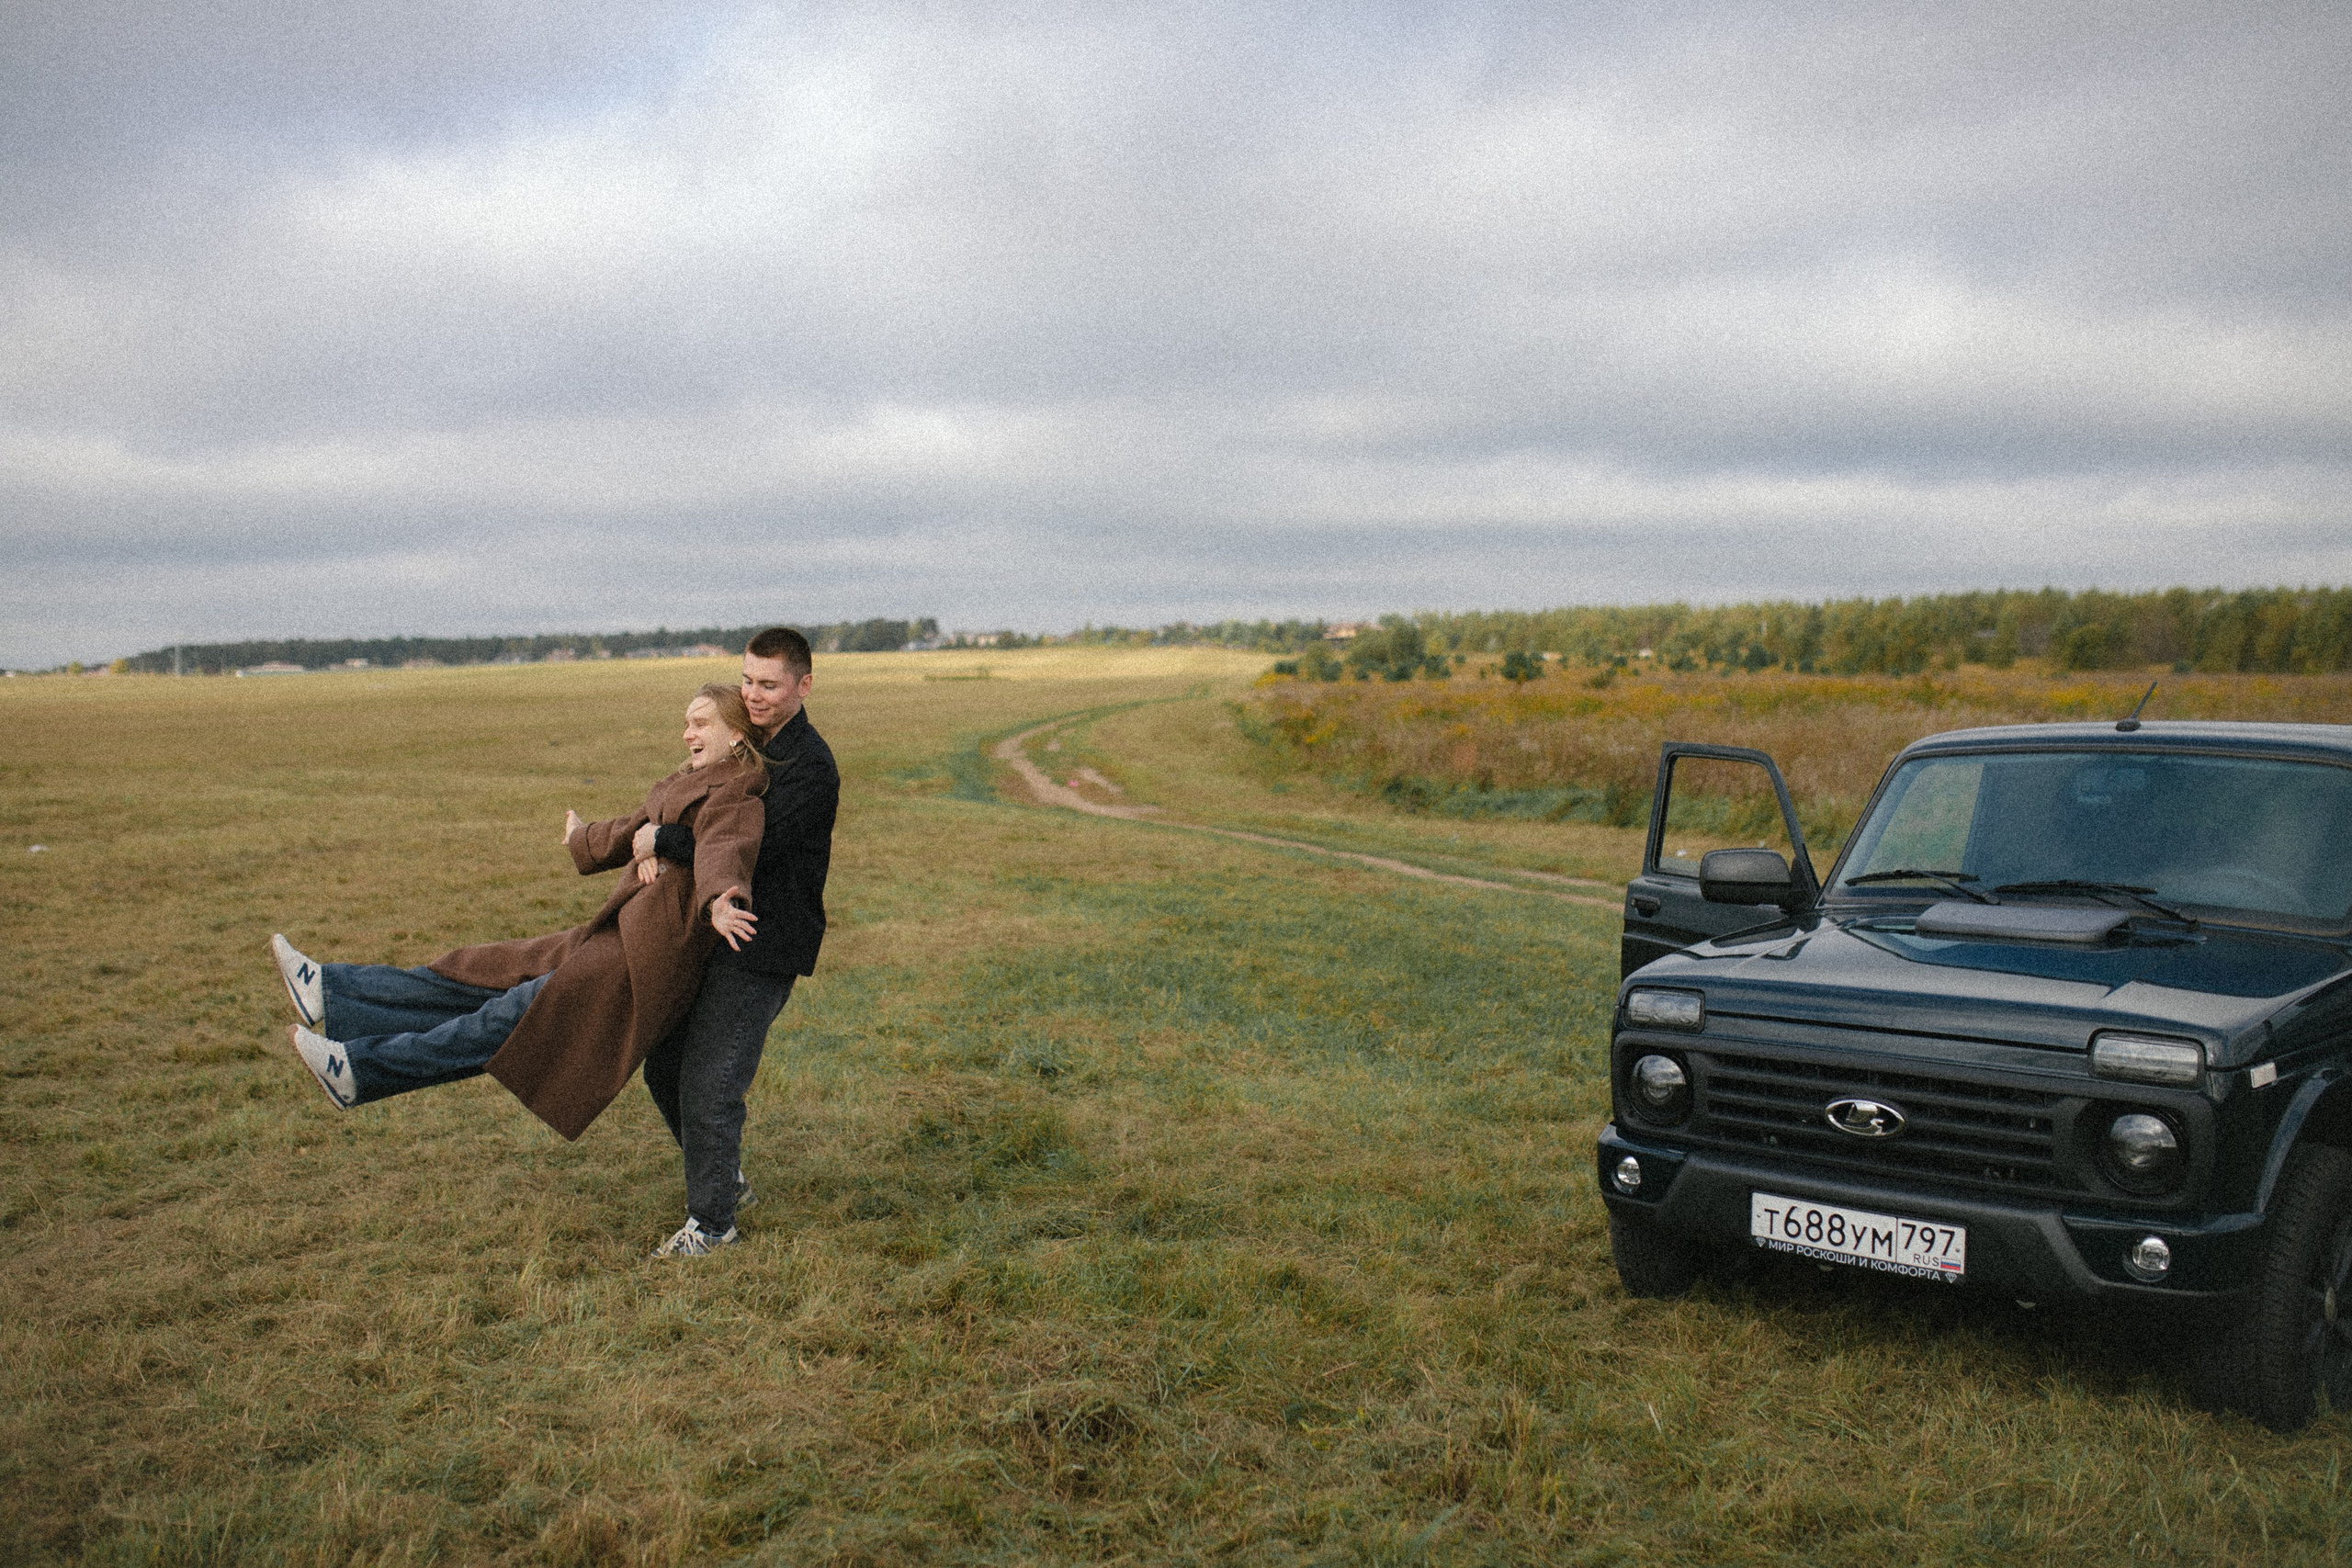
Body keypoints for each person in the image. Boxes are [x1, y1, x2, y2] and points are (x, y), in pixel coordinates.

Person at [269, 684, 768, 1219]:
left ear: (737, 735)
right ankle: (330, 991)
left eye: (701, 723)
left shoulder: (738, 793)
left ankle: (358, 1071)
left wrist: (718, 900)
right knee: (476, 970)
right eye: (687, 722)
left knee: (505, 1018)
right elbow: (632, 829)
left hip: (639, 963)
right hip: (613, 936)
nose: (688, 733)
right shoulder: (687, 779)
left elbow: (723, 850)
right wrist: (585, 838)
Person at [632, 626, 838, 1258]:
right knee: (665, 1066)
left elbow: (745, 846)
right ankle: (725, 1180)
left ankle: (712, 1224)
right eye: (747, 679)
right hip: (710, 934)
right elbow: (697, 806)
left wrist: (660, 840)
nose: (753, 694)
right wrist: (644, 834)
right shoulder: (745, 741)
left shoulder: (811, 766)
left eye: (769, 685)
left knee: (710, 1081)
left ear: (804, 685)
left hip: (762, 942)